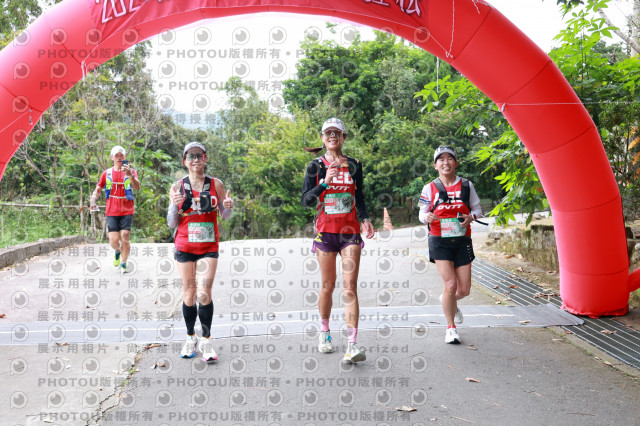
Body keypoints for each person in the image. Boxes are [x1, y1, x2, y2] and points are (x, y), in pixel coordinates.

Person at [301, 117, 375, 363]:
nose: (332, 136)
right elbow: (305, 201)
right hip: (325, 234)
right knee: (328, 286)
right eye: (328, 133)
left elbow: (359, 196)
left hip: (350, 233)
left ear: (344, 137)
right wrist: (325, 183)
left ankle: (352, 344)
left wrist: (365, 218)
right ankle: (324, 333)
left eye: (337, 133)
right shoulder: (315, 166)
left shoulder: (354, 165)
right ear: (322, 138)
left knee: (350, 287)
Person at [167, 142, 234, 362]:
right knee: (189, 293)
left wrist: (228, 206)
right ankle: (190, 337)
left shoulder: (216, 184)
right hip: (185, 246)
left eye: (199, 155)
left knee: (204, 293)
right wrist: (174, 205)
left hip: (208, 246)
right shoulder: (177, 186)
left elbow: (224, 215)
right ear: (184, 161)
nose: (195, 159)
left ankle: (206, 340)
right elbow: (171, 223)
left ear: (205, 159)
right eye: (191, 156)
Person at [418, 146, 483, 344]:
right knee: (450, 284)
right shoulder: (429, 187)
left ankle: (447, 300)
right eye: (441, 159)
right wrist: (426, 217)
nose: (445, 162)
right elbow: (421, 213)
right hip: (439, 240)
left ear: (456, 163)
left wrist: (471, 217)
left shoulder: (467, 185)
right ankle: (451, 328)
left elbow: (478, 210)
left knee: (464, 290)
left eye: (449, 158)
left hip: (462, 240)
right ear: (435, 165)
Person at [90, 145, 140, 275]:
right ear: (112, 157)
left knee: (125, 236)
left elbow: (137, 187)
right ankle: (117, 251)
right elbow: (98, 189)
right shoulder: (107, 173)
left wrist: (130, 175)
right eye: (116, 155)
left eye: (121, 155)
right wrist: (93, 201)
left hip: (127, 209)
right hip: (112, 210)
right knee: (113, 240)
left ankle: (124, 263)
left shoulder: (131, 172)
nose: (119, 158)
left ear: (125, 157)